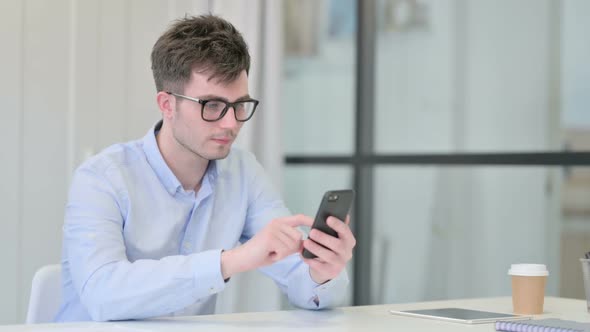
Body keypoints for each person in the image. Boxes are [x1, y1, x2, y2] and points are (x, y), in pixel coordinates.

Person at [54, 14, 356, 322]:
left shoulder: (243, 173)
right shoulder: (100, 179)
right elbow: (103, 295)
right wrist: (228, 262)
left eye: (240, 104)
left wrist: (322, 272)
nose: (232, 122)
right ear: (167, 104)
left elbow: (303, 281)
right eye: (212, 106)